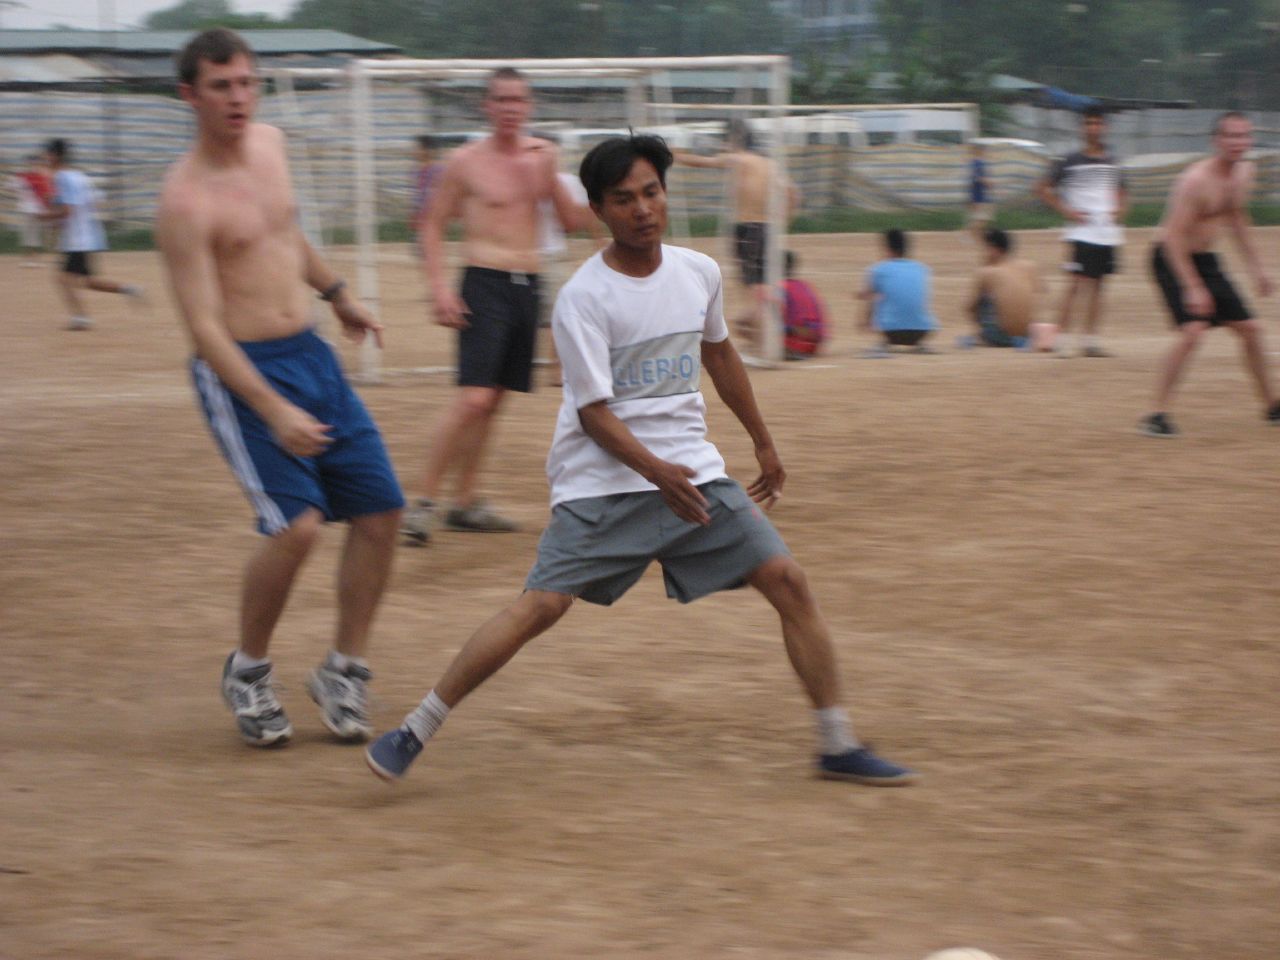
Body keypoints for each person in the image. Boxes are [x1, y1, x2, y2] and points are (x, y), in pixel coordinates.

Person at [365, 133, 918, 789]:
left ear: (665, 193)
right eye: (623, 199)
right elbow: (594, 415)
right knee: (540, 608)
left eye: (651, 192)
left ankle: (836, 742)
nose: (642, 209)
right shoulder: (583, 298)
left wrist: (762, 441)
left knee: (788, 581)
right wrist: (657, 473)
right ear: (599, 209)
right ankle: (415, 728)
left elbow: (720, 356)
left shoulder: (698, 273)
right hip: (603, 484)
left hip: (693, 474)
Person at [155, 28, 404, 747]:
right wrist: (272, 408)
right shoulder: (184, 201)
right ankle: (249, 670)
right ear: (190, 95)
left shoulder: (270, 145)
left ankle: (343, 671)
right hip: (243, 375)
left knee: (382, 512)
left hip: (311, 354)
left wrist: (337, 293)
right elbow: (203, 327)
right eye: (220, 86)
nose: (237, 98)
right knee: (295, 527)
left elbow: (285, 236)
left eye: (246, 82)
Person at [401, 68, 580, 545]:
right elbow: (431, 223)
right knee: (474, 398)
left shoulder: (541, 159)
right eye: (500, 99)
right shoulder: (464, 162)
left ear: (530, 106)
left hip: (528, 282)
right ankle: (421, 504)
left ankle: (466, 501)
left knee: (494, 400)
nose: (510, 108)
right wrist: (440, 288)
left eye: (518, 100)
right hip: (483, 281)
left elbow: (571, 221)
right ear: (487, 106)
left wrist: (553, 174)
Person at [1141, 111, 1279, 437]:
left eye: (1244, 136)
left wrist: (1257, 268)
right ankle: (1156, 415)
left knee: (1252, 329)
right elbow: (1174, 236)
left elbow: (1237, 218)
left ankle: (1273, 406)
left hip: (1206, 259)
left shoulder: (1245, 172)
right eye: (1231, 136)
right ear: (1216, 141)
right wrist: (1192, 286)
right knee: (1193, 332)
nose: (1238, 142)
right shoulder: (1195, 181)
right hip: (1170, 257)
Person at [674, 120, 800, 361]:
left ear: (734, 140)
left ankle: (766, 347)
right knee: (763, 288)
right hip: (769, 228)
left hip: (747, 228)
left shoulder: (738, 159)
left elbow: (703, 162)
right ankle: (767, 343)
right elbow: (793, 194)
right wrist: (785, 221)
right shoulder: (771, 164)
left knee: (753, 292)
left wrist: (677, 156)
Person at [1037, 106, 1128, 357]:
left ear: (1105, 128)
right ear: (1082, 128)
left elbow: (1123, 190)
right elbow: (1043, 188)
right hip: (1082, 232)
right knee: (1075, 284)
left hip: (1106, 233)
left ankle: (1090, 341)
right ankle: (1062, 340)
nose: (1093, 128)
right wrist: (1066, 211)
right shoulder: (1070, 161)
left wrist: (1119, 210)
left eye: (1098, 123)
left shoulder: (1112, 161)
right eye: (1089, 123)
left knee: (1099, 285)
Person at [41, 138, 144, 331]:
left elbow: (67, 210)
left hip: (76, 239)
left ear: (54, 155)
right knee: (88, 281)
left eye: (47, 154)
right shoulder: (79, 176)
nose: (45, 158)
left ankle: (81, 318)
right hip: (88, 236)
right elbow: (94, 201)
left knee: (62, 278)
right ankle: (130, 289)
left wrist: (45, 216)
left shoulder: (62, 178)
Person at [530, 132, 600, 386]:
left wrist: (599, 242)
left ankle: (555, 368)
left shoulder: (566, 182)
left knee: (558, 315)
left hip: (552, 255)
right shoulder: (519, 180)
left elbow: (583, 216)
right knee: (530, 316)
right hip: (522, 257)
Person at [858, 228, 938, 356]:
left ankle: (884, 344)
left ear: (887, 248)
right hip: (922, 332)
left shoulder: (878, 270)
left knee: (879, 296)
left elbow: (871, 300)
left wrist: (865, 322)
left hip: (892, 333)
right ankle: (919, 344)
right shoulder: (922, 268)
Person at [962, 228, 1045, 349]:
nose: (983, 253)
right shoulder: (1030, 266)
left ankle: (982, 336)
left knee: (983, 298)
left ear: (994, 249)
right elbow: (1041, 293)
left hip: (1000, 337)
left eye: (986, 248)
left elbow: (969, 307)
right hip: (1029, 334)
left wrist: (985, 265)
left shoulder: (986, 272)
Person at [781, 250, 828, 360]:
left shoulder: (780, 287)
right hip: (815, 343)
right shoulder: (805, 285)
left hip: (795, 342)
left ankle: (790, 350)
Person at [13, 152, 53, 267]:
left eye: (34, 163)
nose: (32, 165)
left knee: (35, 234)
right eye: (30, 163)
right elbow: (16, 189)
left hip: (38, 210)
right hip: (27, 210)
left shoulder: (41, 177)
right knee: (26, 234)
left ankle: (35, 259)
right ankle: (27, 258)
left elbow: (46, 193)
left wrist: (46, 206)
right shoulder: (22, 177)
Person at [410, 134, 443, 262]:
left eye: (418, 148)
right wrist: (414, 212)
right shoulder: (415, 171)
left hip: (433, 215)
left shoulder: (439, 170)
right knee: (420, 252)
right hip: (421, 216)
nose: (415, 151)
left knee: (428, 251)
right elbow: (416, 194)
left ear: (428, 150)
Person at [967, 142, 994, 243]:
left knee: (980, 217)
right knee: (981, 218)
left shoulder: (975, 163)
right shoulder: (978, 163)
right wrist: (988, 183)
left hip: (978, 193)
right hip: (979, 194)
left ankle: (975, 236)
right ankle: (969, 234)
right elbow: (978, 178)